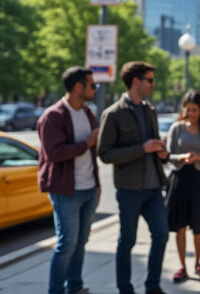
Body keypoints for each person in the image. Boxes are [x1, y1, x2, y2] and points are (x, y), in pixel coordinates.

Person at [98, 61, 170, 294]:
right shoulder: (113, 114)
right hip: (129, 190)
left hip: (153, 188)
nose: (153, 84)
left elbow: (153, 145)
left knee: (161, 234)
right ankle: (125, 288)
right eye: (149, 80)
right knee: (127, 241)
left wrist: (161, 152)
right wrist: (143, 148)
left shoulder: (150, 110)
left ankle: (153, 286)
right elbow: (105, 154)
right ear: (136, 82)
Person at [38, 67, 100, 294]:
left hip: (89, 189)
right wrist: (87, 143)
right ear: (78, 87)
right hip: (66, 191)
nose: (95, 89)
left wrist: (97, 186)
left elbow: (93, 154)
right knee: (67, 244)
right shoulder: (53, 116)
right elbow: (54, 153)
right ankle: (56, 291)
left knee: (81, 243)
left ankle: (75, 286)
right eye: (92, 85)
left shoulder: (87, 113)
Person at [164, 90, 200, 283]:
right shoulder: (176, 127)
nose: (191, 114)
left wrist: (199, 157)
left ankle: (197, 262)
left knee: (198, 225)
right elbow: (167, 155)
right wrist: (182, 158)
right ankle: (182, 266)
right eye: (188, 110)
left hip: (198, 178)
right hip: (179, 178)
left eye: (195, 110)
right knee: (179, 226)